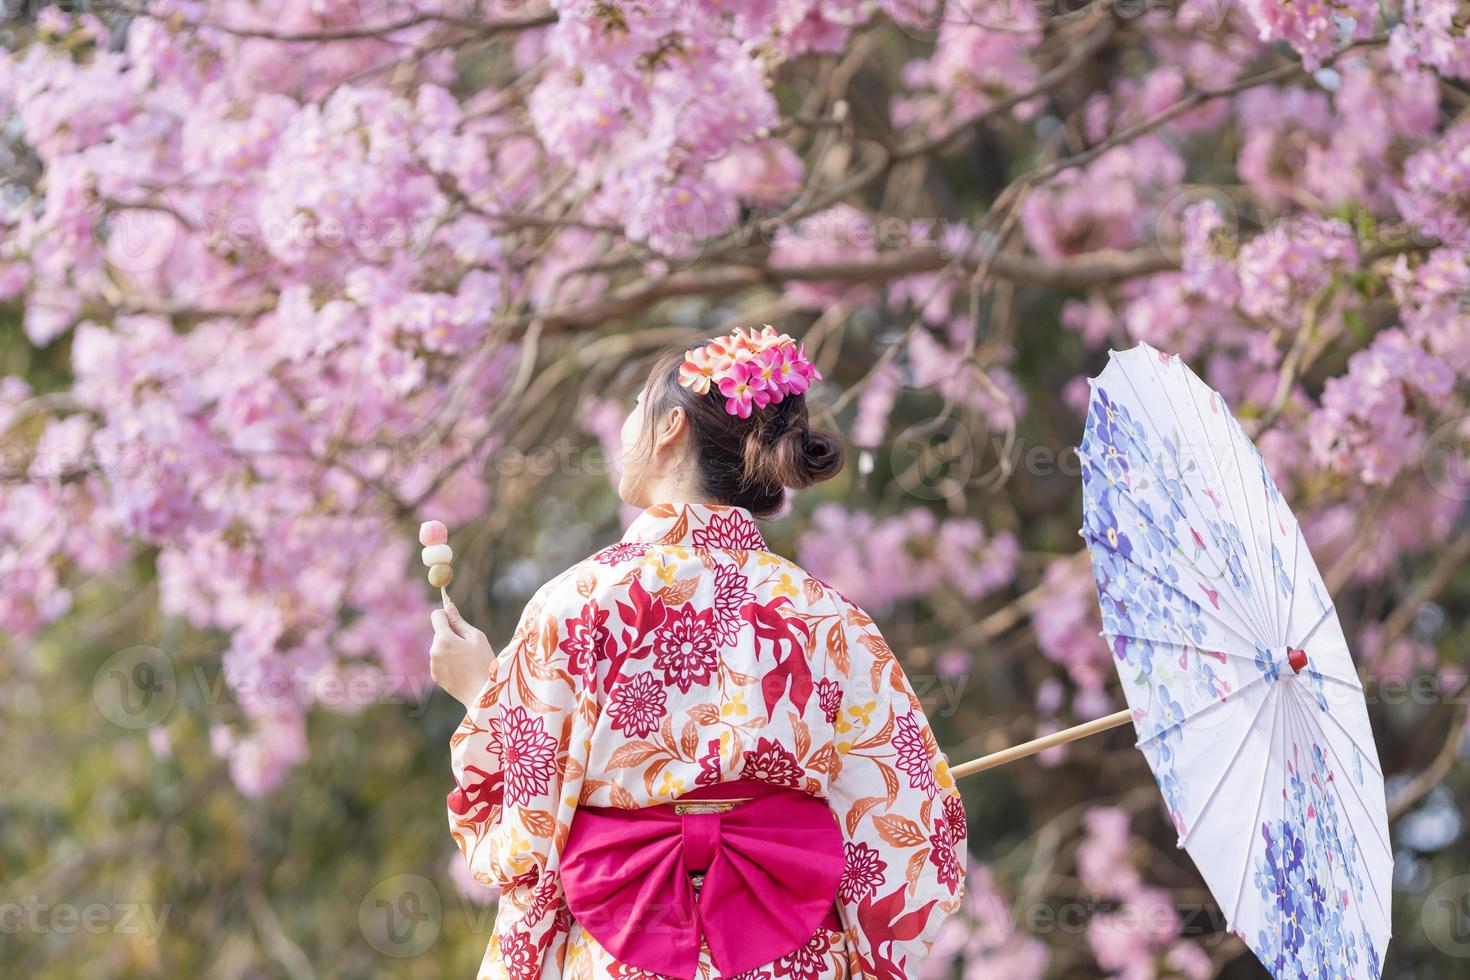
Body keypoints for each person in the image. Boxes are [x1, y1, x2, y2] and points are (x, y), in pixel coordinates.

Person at [429, 326, 968, 980]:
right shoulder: (829, 618)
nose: (627, 424)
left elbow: (525, 832)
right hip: (790, 957)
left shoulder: (577, 602)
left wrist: (483, 693)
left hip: (616, 947)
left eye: (636, 406)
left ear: (669, 428)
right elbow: (913, 823)